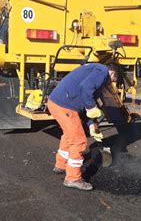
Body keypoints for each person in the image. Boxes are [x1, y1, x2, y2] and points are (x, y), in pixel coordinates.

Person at [47, 63, 118, 191]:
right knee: (78, 141)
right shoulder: (102, 71)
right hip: (65, 106)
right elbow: (85, 88)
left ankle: (61, 165)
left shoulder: (93, 71)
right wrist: (91, 107)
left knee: (69, 135)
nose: (111, 82)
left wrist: (91, 125)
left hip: (56, 103)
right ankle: (73, 178)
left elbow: (86, 103)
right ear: (112, 72)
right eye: (113, 80)